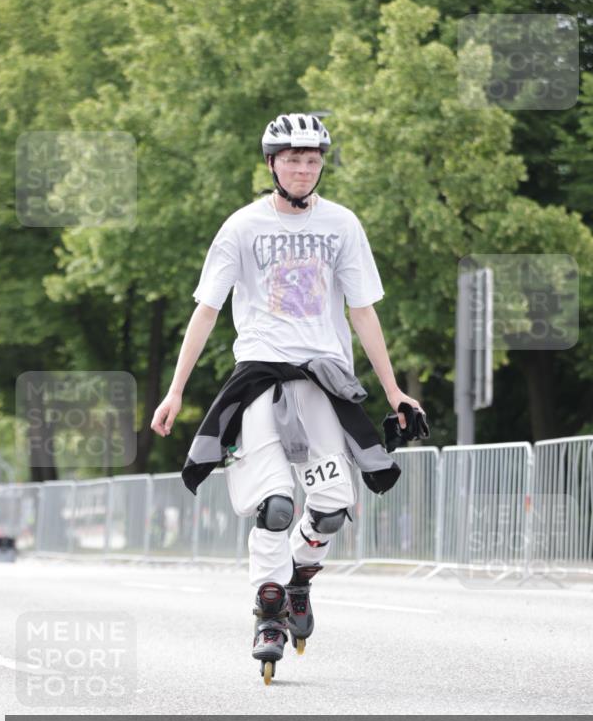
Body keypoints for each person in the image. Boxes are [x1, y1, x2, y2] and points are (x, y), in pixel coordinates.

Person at [151, 113, 426, 684]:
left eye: (312, 159)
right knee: (275, 504)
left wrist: (394, 388)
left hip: (324, 379)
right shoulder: (242, 227)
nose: (303, 168)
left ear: (321, 163)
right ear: (272, 164)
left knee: (329, 506)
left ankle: (300, 576)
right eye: (292, 159)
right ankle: (269, 610)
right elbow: (207, 309)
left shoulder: (342, 224)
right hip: (259, 380)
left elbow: (362, 310)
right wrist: (176, 389)